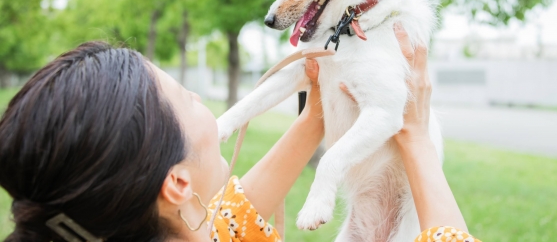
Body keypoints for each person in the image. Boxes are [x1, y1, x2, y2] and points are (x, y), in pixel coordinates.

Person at [0, 24, 480, 242]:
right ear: (178, 184)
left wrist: (318, 110)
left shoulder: (180, 226)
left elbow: (235, 214)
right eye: (190, 99)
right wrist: (414, 135)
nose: (203, 103)